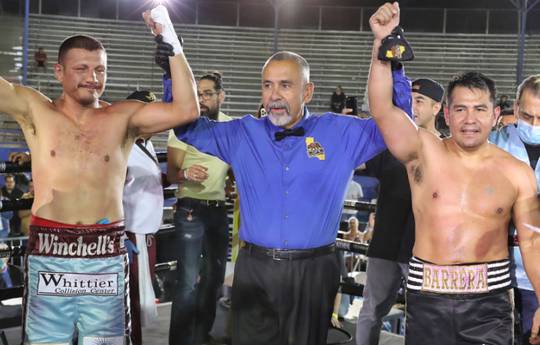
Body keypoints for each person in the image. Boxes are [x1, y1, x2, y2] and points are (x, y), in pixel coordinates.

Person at [157, 38, 412, 343]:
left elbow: (394, 123)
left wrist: (389, 60)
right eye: (267, 85)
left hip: (314, 271)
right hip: (255, 269)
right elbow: (187, 127)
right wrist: (173, 69)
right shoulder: (242, 133)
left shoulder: (340, 132)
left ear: (308, 91)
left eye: (285, 85)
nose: (274, 95)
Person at [0, 4, 199, 344]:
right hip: (50, 249)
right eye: (82, 69)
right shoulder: (35, 110)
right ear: (59, 72)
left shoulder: (122, 117)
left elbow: (186, 109)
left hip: (105, 254)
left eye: (100, 70)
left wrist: (172, 42)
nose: (93, 78)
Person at [367, 3, 540, 345]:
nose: (469, 119)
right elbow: (383, 109)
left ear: (496, 115)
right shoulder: (423, 152)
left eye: (479, 109)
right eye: (460, 109)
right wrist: (381, 46)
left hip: (489, 304)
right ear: (446, 113)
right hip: (426, 297)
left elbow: (533, 241)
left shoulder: (517, 174)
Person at [356, 77, 444, 345]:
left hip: (422, 250)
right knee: (371, 311)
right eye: (410, 100)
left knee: (422, 315)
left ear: (437, 108)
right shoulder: (391, 145)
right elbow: (357, 162)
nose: (413, 106)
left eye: (420, 101)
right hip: (385, 244)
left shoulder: (446, 149)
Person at [166, 71, 232, 345]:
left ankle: (201, 337)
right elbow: (171, 174)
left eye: (207, 93)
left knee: (214, 279)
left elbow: (235, 167)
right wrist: (185, 174)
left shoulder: (231, 127)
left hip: (219, 211)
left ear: (221, 96)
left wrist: (231, 180)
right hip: (190, 211)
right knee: (188, 282)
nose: (202, 99)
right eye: (199, 93)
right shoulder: (183, 126)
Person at [489, 74, 540, 345]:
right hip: (498, 275)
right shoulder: (494, 143)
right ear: (517, 108)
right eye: (529, 115)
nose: (534, 124)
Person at [123, 89, 163, 345]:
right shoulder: (123, 144)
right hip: (130, 233)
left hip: (146, 233)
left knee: (137, 301)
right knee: (130, 300)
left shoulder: (145, 143)